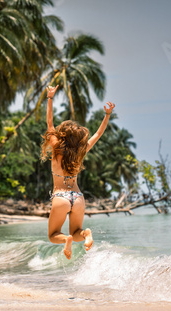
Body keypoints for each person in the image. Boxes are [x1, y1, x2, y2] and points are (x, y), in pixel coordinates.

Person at [41, 85, 115, 259]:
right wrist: (107, 115)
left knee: (53, 236)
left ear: (62, 136)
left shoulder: (56, 147)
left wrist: (50, 98)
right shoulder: (81, 151)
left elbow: (49, 123)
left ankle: (65, 240)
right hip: (78, 197)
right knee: (77, 232)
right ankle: (86, 234)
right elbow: (97, 134)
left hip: (61, 197)